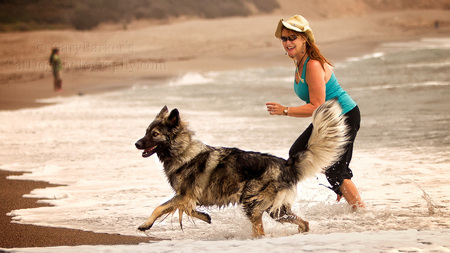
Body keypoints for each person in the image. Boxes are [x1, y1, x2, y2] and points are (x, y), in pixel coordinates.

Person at [266, 15, 365, 210]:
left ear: (304, 39)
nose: (287, 42)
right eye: (284, 38)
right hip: (327, 118)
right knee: (298, 153)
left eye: (292, 37)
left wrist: (284, 110)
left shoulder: (312, 64)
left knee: (336, 170)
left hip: (343, 116)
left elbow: (316, 105)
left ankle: (361, 212)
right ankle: (338, 187)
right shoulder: (299, 62)